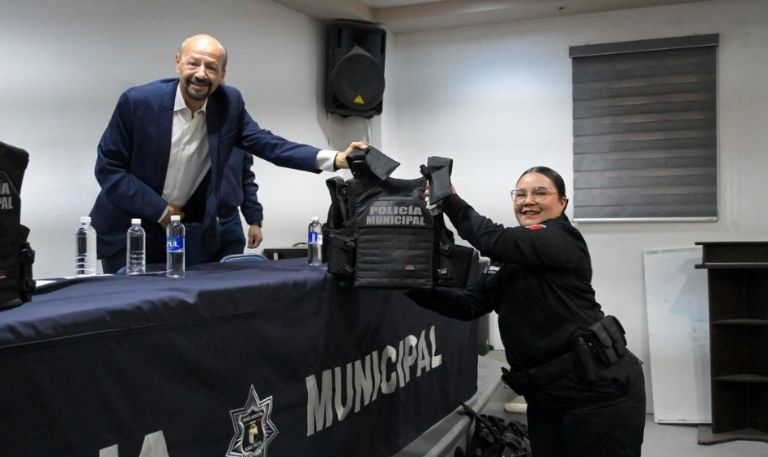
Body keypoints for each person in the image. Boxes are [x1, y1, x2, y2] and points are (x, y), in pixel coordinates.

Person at [407, 166, 646, 457]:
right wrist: (407, 286)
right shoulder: (507, 259)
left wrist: (449, 200)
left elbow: (493, 239)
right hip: (546, 396)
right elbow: (469, 305)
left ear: (563, 203)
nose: (527, 200)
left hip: (596, 392)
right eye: (520, 194)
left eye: (540, 192)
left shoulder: (561, 238)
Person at [90, 34, 365, 273]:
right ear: (178, 63)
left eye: (211, 67)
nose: (201, 73)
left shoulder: (229, 103)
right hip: (129, 229)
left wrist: (336, 159)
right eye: (193, 63)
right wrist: (159, 210)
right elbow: (109, 169)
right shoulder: (138, 103)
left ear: (223, 74)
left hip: (182, 233)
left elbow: (269, 144)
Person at [215, 148, 263, 260]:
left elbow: (247, 182)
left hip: (230, 222)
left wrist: (255, 222)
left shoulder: (238, 141)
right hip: (196, 225)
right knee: (196, 274)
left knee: (234, 274)